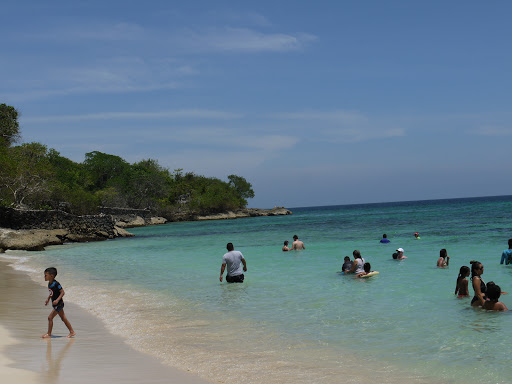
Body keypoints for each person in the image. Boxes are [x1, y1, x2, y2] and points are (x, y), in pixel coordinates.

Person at [41, 267, 76, 338]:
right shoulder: (49, 284)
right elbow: (52, 293)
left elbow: (62, 292)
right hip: (56, 304)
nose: (44, 276)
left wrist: (57, 300)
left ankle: (49, 334)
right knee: (63, 318)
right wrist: (48, 299)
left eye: (45, 275)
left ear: (51, 276)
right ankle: (72, 332)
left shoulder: (56, 284)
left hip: (59, 304)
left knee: (50, 318)